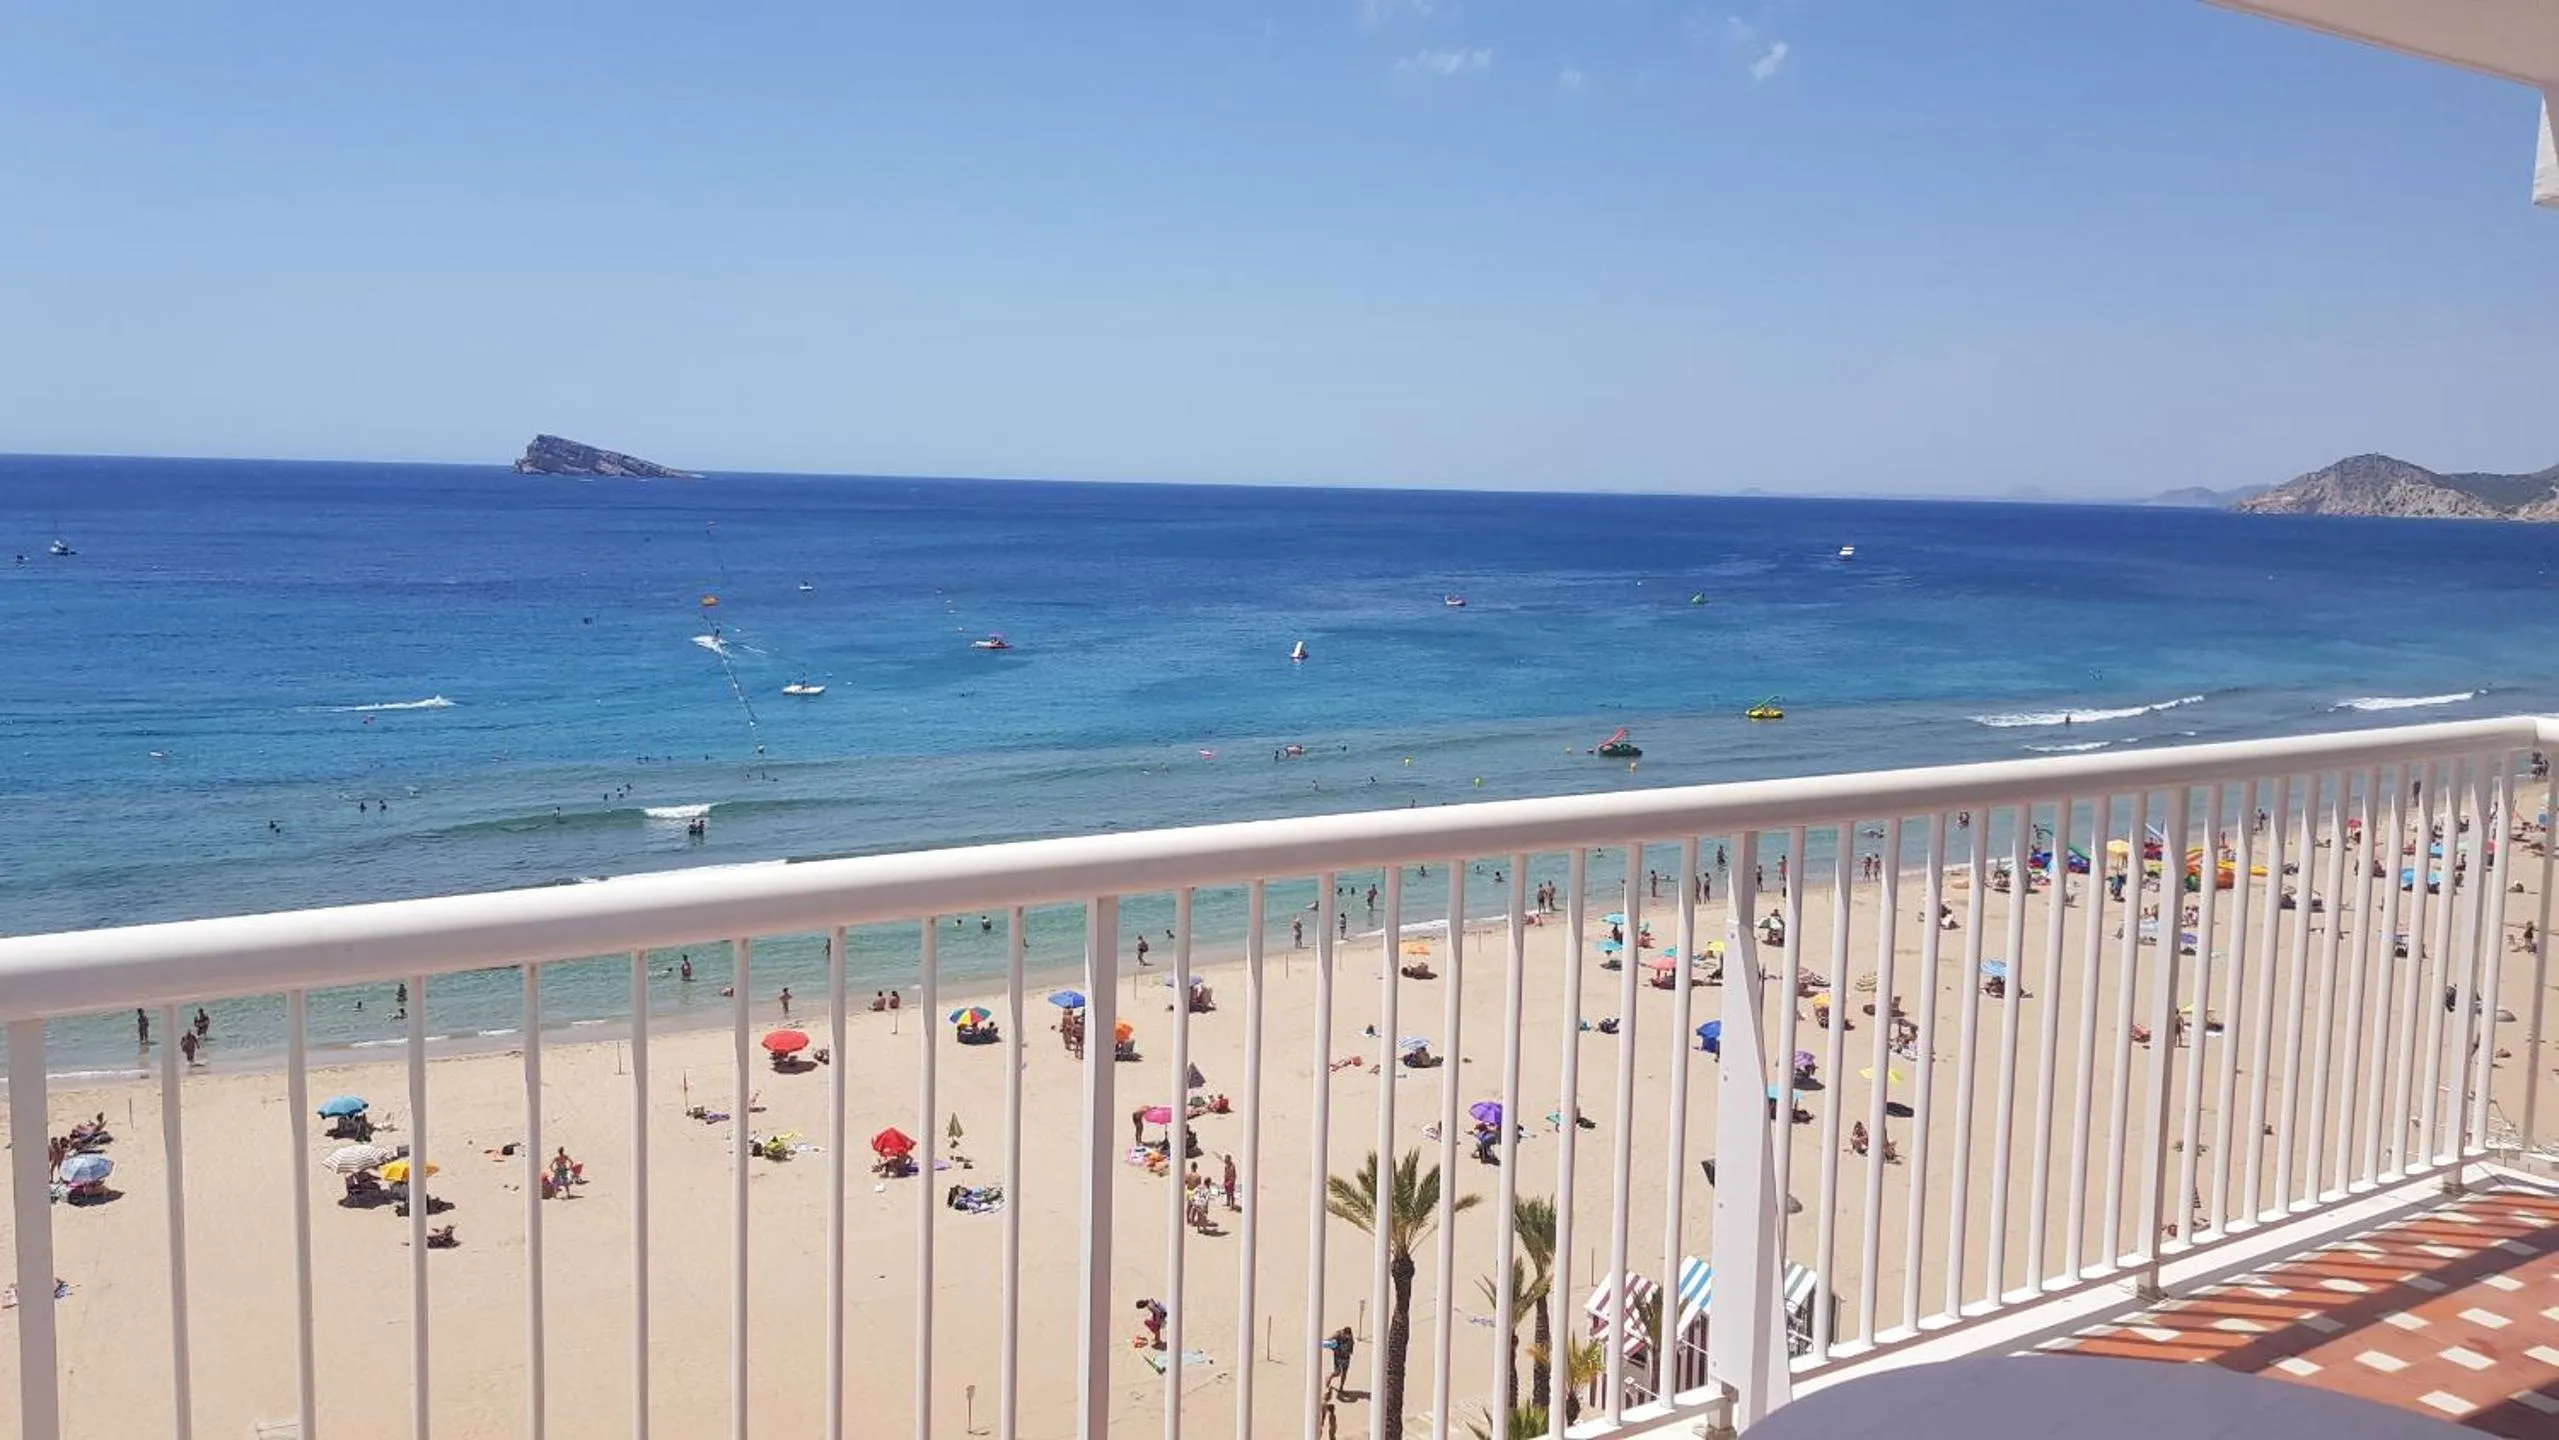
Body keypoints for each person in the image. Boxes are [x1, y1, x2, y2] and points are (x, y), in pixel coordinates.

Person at [1327, 1325, 1356, 1390]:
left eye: (1349, 1336)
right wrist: (1335, 1348)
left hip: (1346, 1357)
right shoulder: (1338, 1334)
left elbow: (1351, 1348)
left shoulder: (1350, 1337)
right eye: (1347, 1336)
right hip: (1338, 1356)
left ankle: (1341, 1388)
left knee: (1344, 1373)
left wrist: (1349, 1349)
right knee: (1337, 1372)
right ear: (1344, 1333)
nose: (1348, 1337)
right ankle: (1329, 1378)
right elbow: (1328, 1341)